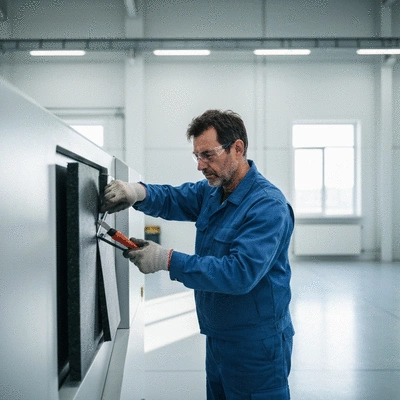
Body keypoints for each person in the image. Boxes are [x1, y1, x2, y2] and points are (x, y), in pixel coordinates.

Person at [101, 109, 295, 399]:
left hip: (256, 345)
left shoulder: (267, 206)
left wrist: (167, 260)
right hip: (218, 335)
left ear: (237, 148)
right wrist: (136, 191)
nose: (200, 165)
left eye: (208, 155)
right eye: (197, 156)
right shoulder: (214, 192)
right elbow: (174, 197)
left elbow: (240, 274)